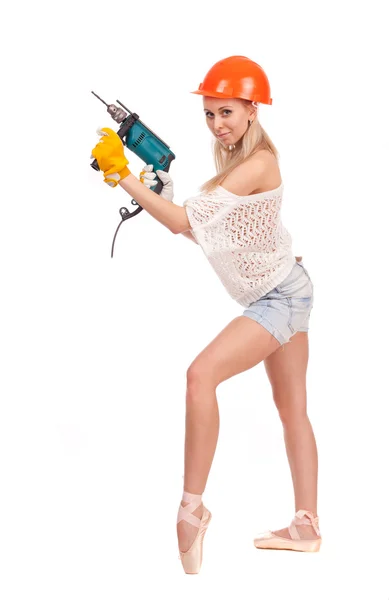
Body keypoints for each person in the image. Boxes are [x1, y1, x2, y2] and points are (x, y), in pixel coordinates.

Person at [91, 55, 321, 575]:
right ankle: (306, 527)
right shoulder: (234, 165)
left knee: (201, 375)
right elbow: (205, 230)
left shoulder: (259, 162)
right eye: (210, 115)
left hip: (280, 298)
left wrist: (122, 174)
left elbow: (181, 224)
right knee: (292, 411)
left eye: (227, 113)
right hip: (287, 286)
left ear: (252, 111)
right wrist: (159, 193)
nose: (218, 125)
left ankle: (191, 511)